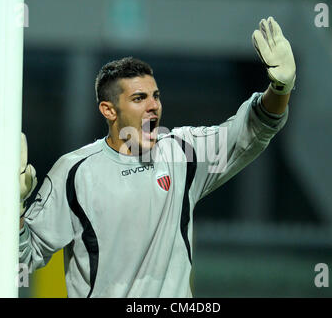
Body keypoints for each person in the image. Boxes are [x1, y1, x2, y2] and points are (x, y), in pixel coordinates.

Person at [19, 16, 296, 298]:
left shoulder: (181, 153)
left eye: (156, 96)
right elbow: (23, 259)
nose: (153, 106)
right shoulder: (74, 172)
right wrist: (15, 208)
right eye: (139, 98)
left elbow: (254, 127)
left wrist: (280, 89)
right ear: (108, 110)